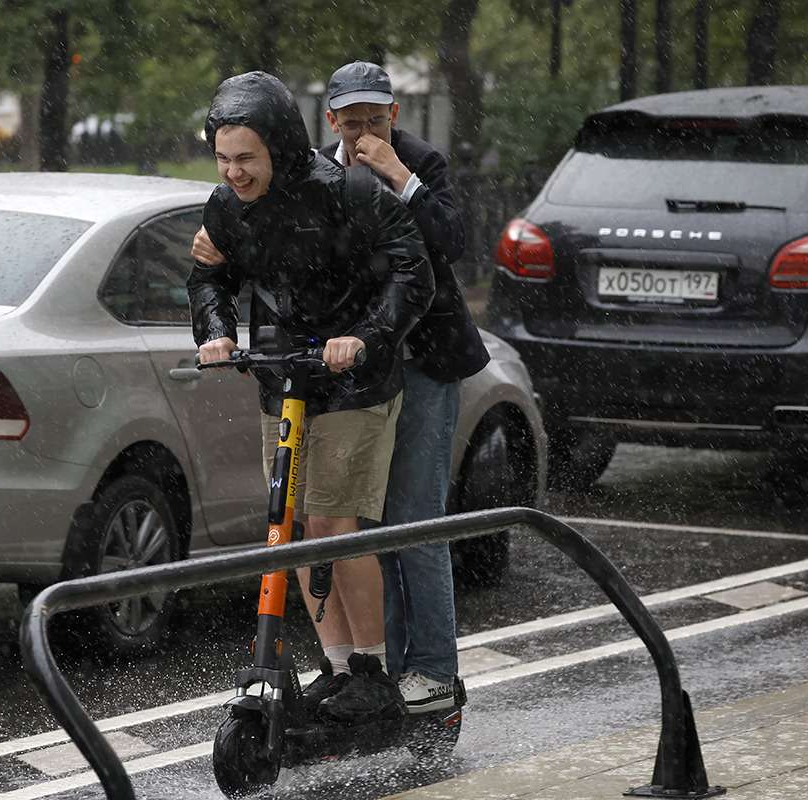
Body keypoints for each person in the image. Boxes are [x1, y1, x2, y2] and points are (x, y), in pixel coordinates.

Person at [188, 71, 434, 724]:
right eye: (224, 159)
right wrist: (217, 333)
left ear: (281, 150)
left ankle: (373, 671)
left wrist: (365, 336)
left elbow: (415, 272)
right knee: (293, 525)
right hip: (283, 376)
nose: (235, 172)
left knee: (332, 520)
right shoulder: (226, 208)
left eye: (247, 158)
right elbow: (208, 280)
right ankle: (335, 667)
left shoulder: (346, 192)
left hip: (356, 381)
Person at [320, 61, 491, 714]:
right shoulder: (322, 171)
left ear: (394, 116)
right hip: (364, 364)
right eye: (351, 120)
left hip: (422, 358)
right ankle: (384, 664)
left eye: (375, 119)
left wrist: (400, 175)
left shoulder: (422, 161)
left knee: (416, 518)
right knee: (366, 520)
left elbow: (451, 239)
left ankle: (436, 670)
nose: (363, 131)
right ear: (331, 120)